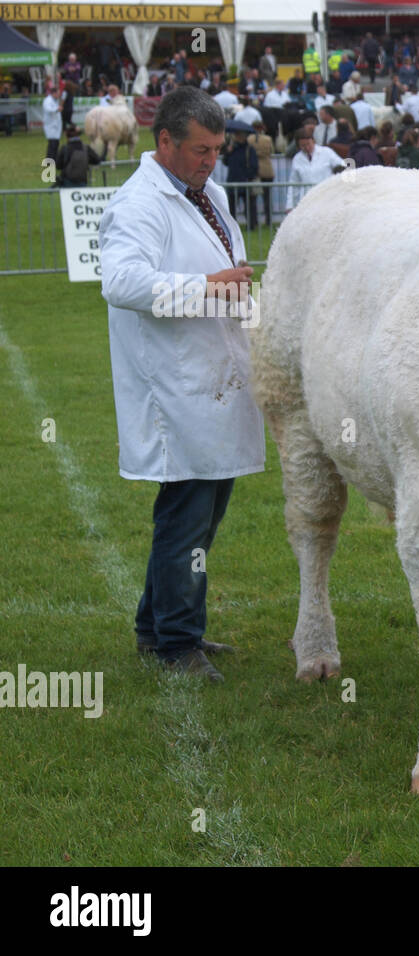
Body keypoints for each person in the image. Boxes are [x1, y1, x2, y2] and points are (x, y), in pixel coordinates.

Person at [98, 86, 265, 683]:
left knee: (201, 514)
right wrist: (208, 285)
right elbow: (121, 282)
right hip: (174, 388)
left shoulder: (206, 192)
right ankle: (176, 644)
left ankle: (158, 627)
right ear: (164, 141)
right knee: (186, 516)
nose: (210, 160)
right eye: (200, 148)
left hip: (212, 381)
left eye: (218, 149)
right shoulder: (139, 201)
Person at [288, 126, 344, 207]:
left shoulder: (327, 152)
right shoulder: (297, 159)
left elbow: (342, 166)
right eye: (303, 145)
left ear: (313, 141)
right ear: (298, 146)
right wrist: (290, 206)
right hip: (307, 199)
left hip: (327, 197)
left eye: (308, 144)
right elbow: (294, 184)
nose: (307, 148)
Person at [42, 81, 64, 164]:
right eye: (58, 93)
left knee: (55, 144)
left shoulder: (54, 100)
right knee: (52, 145)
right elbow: (48, 109)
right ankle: (49, 161)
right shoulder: (48, 100)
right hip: (50, 126)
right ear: (54, 93)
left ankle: (54, 160)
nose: (59, 95)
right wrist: (56, 109)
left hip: (55, 126)